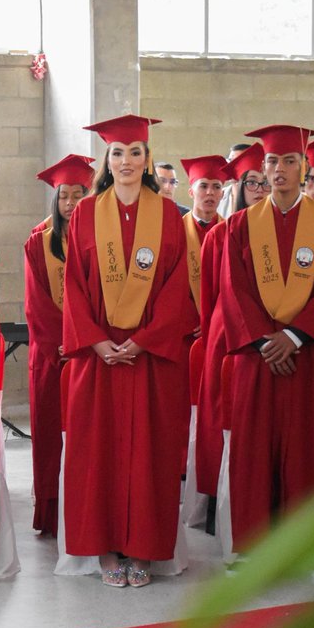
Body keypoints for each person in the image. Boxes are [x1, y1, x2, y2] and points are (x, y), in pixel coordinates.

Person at [62, 114, 196, 587]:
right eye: (117, 153)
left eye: (135, 152)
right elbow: (74, 286)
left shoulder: (169, 217)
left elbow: (178, 287)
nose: (126, 161)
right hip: (98, 359)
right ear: (107, 160)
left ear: (147, 158)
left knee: (150, 456)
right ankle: (105, 550)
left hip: (149, 359)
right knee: (99, 455)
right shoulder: (85, 213)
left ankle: (144, 549)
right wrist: (97, 341)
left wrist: (143, 340)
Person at [216, 125, 314, 570]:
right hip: (258, 357)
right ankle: (253, 545)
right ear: (262, 168)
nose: (279, 171)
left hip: (308, 355)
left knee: (311, 449)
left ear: (304, 167)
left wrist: (292, 337)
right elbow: (233, 290)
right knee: (254, 449)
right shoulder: (240, 225)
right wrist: (265, 341)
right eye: (272, 162)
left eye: (290, 162)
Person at [194, 143, 269, 513]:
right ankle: (221, 505)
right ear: (239, 187)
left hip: (274, 342)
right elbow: (210, 297)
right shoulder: (220, 236)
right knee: (230, 425)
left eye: (265, 183)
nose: (260, 189)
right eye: (252, 182)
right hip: (229, 340)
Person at [24, 154, 94, 536]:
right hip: (53, 354)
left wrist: (85, 341)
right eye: (64, 196)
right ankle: (52, 514)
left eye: (78, 195)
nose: (70, 204)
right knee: (52, 436)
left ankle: (87, 510)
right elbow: (37, 305)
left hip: (89, 354)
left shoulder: (102, 238)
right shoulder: (38, 242)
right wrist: (66, 343)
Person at [179, 155, 232, 325]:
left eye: (216, 187)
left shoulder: (231, 233)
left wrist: (214, 318)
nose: (210, 192)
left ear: (222, 194)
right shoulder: (176, 231)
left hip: (221, 320)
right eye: (203, 186)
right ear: (191, 192)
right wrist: (192, 317)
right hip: (184, 322)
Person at [217, 142, 252, 218]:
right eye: (230, 161)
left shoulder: (261, 194)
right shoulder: (218, 195)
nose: (231, 167)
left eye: (237, 162)